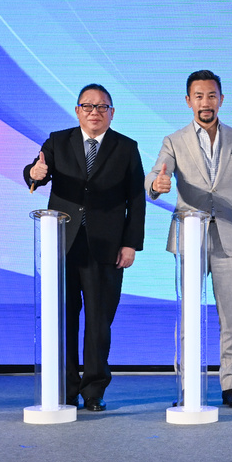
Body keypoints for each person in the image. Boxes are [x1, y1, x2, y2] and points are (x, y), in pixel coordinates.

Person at [23, 84, 146, 411]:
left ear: (112, 113)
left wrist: (131, 244)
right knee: (63, 319)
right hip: (63, 245)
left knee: (99, 322)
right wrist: (34, 173)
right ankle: (66, 388)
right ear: (78, 111)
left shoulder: (126, 147)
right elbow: (36, 172)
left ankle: (93, 391)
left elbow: (136, 200)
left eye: (102, 107)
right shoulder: (58, 141)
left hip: (106, 248)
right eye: (88, 106)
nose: (95, 112)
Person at [147, 70, 232, 409]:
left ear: (221, 99)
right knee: (190, 317)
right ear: (188, 101)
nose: (205, 102)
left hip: (231, 238)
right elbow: (156, 174)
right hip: (191, 237)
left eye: (211, 95)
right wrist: (156, 184)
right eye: (198, 96)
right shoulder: (174, 140)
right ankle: (189, 385)